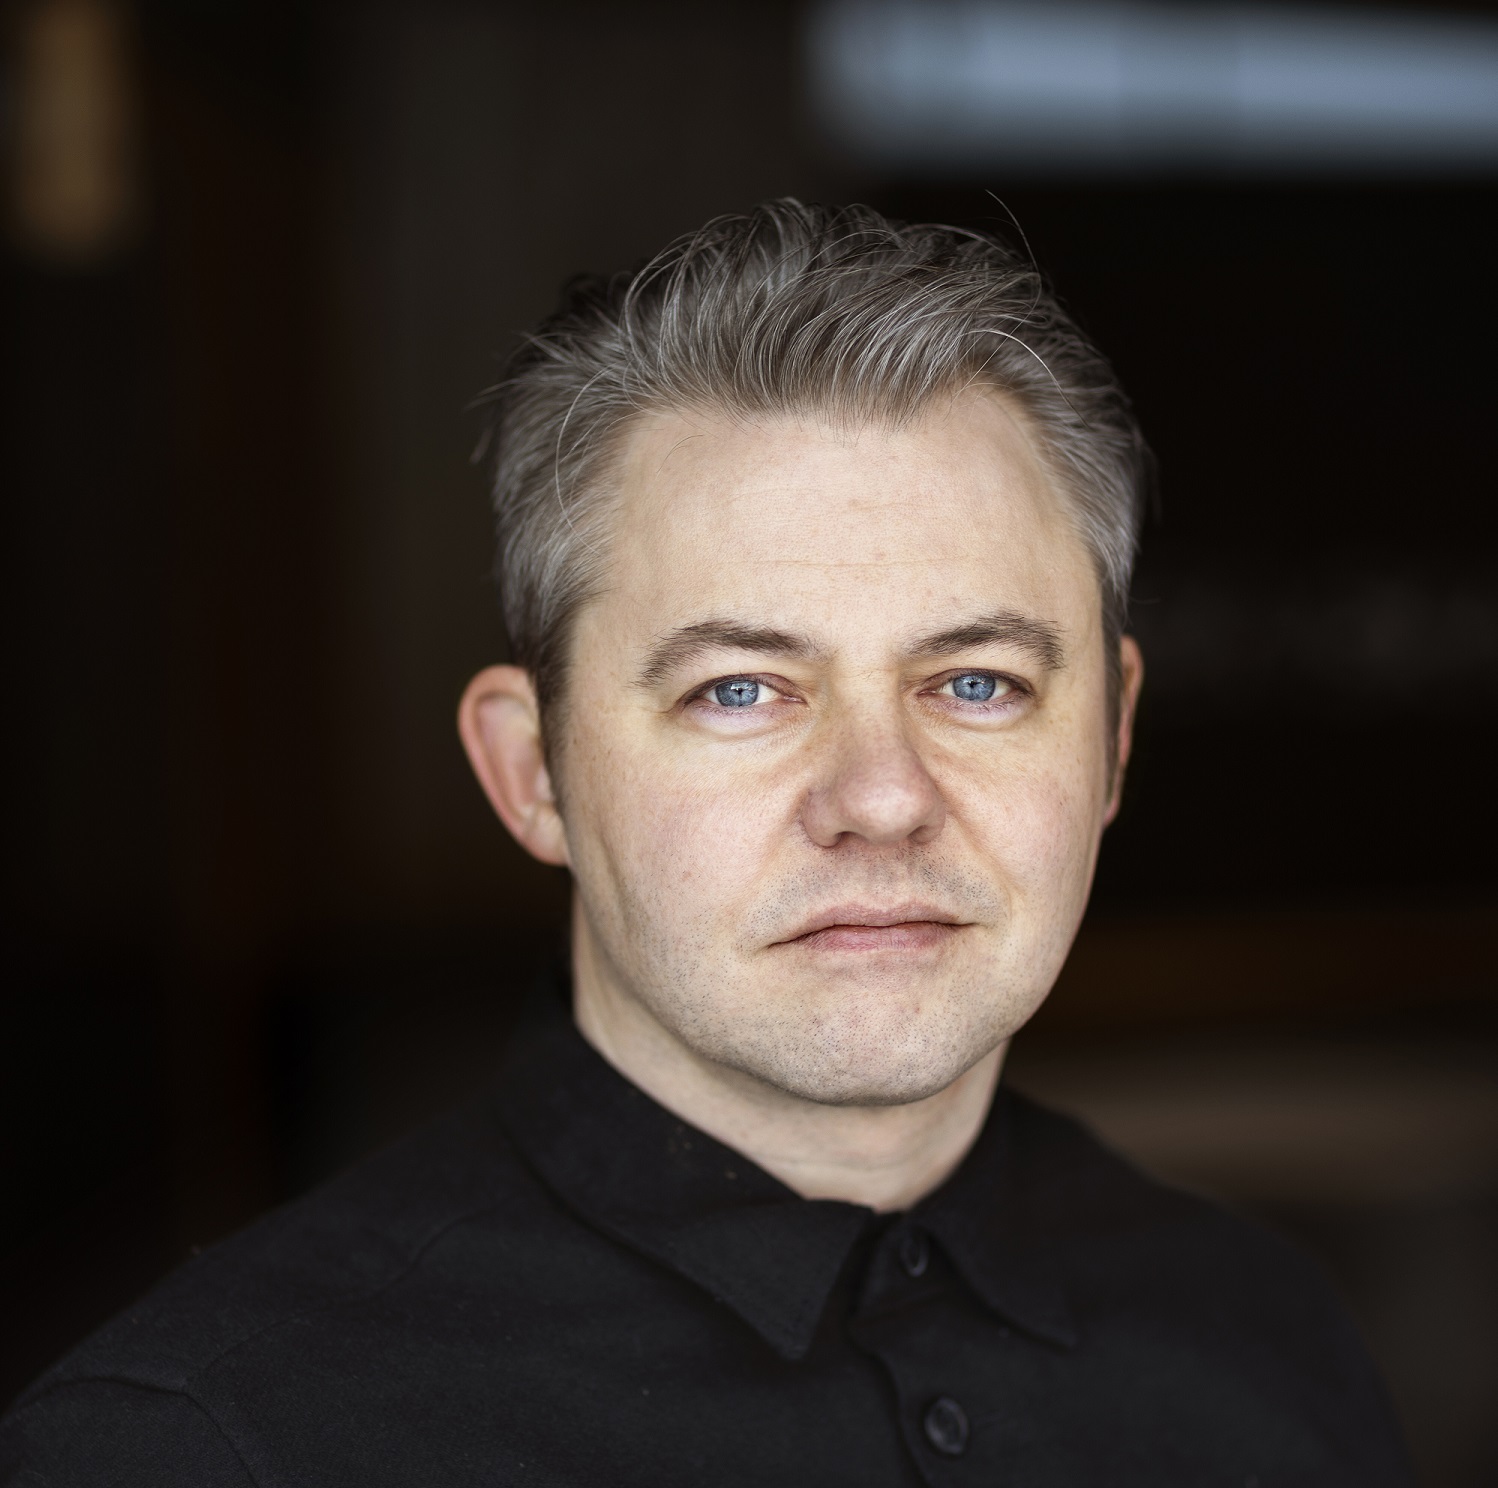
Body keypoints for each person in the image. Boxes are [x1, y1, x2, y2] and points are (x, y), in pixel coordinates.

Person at [0, 200, 1411, 1486]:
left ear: (1107, 741)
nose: (879, 794)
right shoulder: (200, 1445)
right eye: (740, 689)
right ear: (530, 770)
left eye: (974, 682)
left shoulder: (1267, 1345)